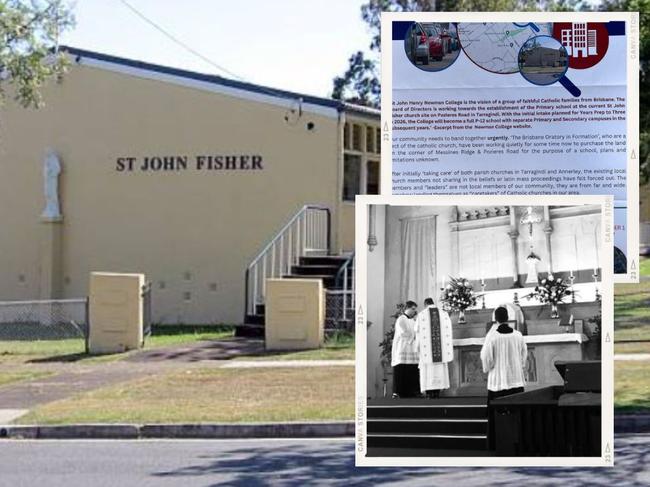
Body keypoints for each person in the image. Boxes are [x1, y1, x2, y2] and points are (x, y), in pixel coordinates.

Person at [480, 305, 528, 449]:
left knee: (498, 413)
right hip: (516, 380)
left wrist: (488, 369)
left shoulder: (492, 336)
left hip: (498, 382)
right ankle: (518, 441)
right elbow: (524, 355)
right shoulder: (518, 335)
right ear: (508, 318)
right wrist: (519, 366)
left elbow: (486, 357)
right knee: (516, 412)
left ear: (495, 319)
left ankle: (496, 442)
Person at [415, 298, 453, 399]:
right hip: (441, 351)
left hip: (426, 351)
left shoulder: (421, 315)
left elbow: (417, 331)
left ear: (425, 304)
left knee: (427, 370)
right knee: (439, 369)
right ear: (433, 303)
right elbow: (448, 331)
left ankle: (429, 393)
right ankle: (437, 392)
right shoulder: (444, 314)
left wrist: (417, 347)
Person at [391, 300, 420, 398]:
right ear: (407, 308)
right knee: (401, 369)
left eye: (415, 309)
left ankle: (411, 392)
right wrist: (415, 336)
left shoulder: (413, 320)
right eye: (413, 309)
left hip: (411, 349)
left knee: (412, 369)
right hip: (402, 348)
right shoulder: (401, 319)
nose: (414, 311)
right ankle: (399, 392)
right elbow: (404, 332)